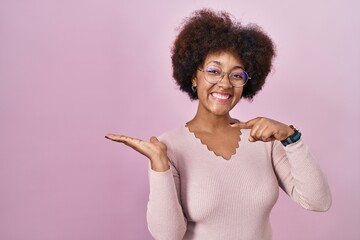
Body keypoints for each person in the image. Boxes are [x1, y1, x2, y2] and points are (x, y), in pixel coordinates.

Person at [105, 9, 332, 240]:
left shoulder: (264, 141)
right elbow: (168, 235)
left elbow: (318, 201)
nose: (224, 83)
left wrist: (291, 138)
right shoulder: (168, 147)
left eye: (236, 75)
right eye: (214, 71)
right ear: (194, 76)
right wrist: (160, 165)